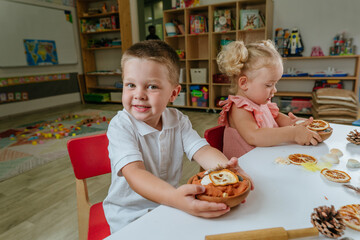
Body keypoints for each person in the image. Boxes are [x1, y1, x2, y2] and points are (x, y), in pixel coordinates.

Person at [103, 40, 252, 233]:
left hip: (169, 206)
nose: (139, 94)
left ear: (174, 93)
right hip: (129, 217)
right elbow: (135, 174)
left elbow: (202, 150)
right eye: (130, 85)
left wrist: (228, 171)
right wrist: (175, 199)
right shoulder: (120, 126)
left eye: (151, 86)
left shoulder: (178, 119)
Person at [216, 40, 322, 159]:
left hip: (265, 160)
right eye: (268, 85)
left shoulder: (261, 102)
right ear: (244, 83)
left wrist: (293, 123)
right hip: (245, 168)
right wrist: (293, 133)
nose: (274, 90)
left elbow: (276, 117)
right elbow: (254, 136)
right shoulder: (238, 107)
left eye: (275, 84)